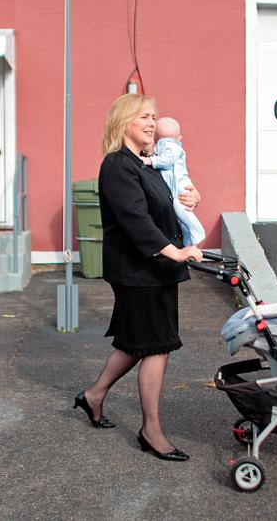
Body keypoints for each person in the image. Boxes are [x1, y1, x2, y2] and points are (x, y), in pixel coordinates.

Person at [73, 93, 203, 462]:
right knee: (157, 345)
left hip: (154, 269)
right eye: (144, 116)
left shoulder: (147, 165)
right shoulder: (118, 166)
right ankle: (151, 430)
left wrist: (191, 197)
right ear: (124, 122)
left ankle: (94, 395)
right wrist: (175, 251)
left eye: (154, 117)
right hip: (139, 271)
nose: (152, 123)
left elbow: (166, 206)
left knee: (136, 341)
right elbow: (136, 221)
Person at [141, 117, 206, 246]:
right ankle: (193, 234)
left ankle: (195, 233)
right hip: (162, 241)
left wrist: (196, 197)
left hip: (178, 188)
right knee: (180, 211)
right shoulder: (141, 161)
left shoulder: (169, 149)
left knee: (181, 209)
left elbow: (169, 160)